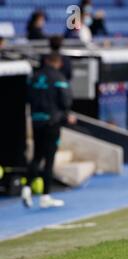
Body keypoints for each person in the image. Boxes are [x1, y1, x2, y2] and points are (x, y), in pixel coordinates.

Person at [21, 53, 76, 209]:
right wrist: (66, 115)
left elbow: (27, 97)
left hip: (36, 120)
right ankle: (45, 196)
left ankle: (26, 187)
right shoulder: (59, 78)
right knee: (49, 159)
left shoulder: (33, 77)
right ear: (57, 63)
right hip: (52, 122)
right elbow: (65, 101)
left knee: (37, 156)